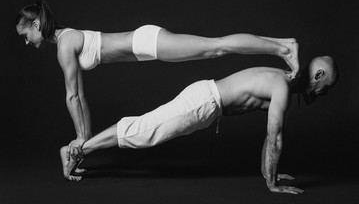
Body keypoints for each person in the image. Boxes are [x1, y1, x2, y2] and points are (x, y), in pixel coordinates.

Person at [16, 0, 299, 162]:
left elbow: (73, 96)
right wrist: (83, 138)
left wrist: (82, 139)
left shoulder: (65, 45)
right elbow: (78, 95)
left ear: (37, 26)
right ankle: (284, 44)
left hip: (147, 42)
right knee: (216, 47)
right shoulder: (64, 39)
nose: (26, 42)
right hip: (145, 46)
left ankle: (284, 48)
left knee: (217, 47)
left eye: (25, 35)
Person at [60, 56, 338, 194]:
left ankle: (81, 149)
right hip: (204, 102)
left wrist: (270, 176)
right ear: (319, 75)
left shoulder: (282, 81)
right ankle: (77, 150)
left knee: (145, 128)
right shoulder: (282, 86)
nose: (326, 93)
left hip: (205, 99)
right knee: (144, 131)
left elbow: (270, 136)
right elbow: (274, 137)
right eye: (327, 86)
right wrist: (273, 184)